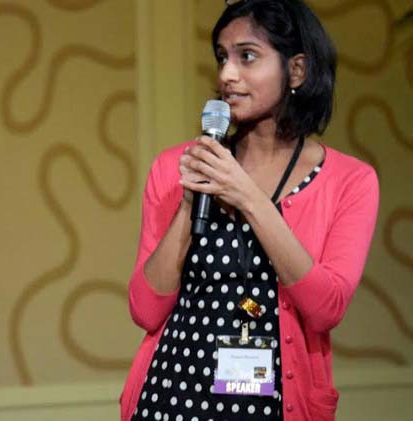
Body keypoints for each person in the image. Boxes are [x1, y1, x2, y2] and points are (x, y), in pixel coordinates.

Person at [120, 1, 379, 420]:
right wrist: (190, 202)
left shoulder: (351, 180)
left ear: (296, 70)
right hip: (171, 400)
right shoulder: (175, 168)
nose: (227, 75)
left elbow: (327, 308)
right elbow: (145, 310)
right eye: (222, 57)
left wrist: (248, 196)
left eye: (248, 56)